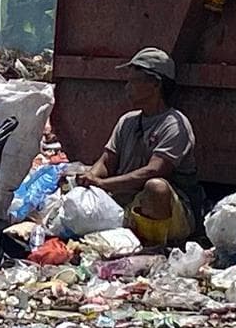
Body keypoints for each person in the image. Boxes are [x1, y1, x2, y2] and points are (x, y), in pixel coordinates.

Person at [80, 45, 198, 249]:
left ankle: (155, 246)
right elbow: (107, 160)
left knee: (156, 188)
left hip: (169, 212)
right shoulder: (127, 121)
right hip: (127, 204)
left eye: (134, 81)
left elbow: (154, 171)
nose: (127, 88)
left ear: (155, 84)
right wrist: (90, 177)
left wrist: (104, 184)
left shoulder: (174, 124)